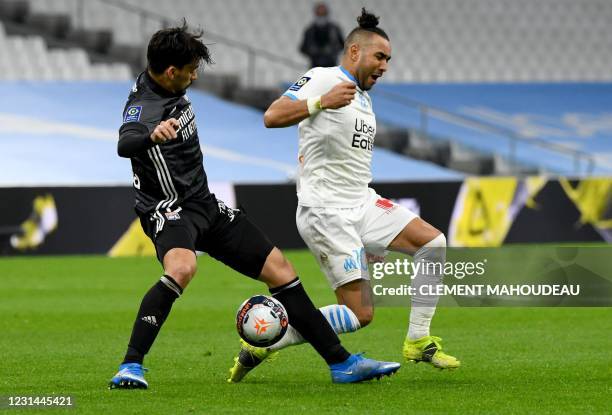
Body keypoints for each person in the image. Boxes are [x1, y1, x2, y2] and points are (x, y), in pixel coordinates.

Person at [108, 21, 400, 389]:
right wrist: (151, 135)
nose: (195, 76)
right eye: (191, 70)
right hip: (168, 208)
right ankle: (130, 365)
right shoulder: (144, 106)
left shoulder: (163, 82)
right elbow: (126, 142)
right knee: (182, 268)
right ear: (170, 73)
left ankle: (341, 363)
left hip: (205, 205)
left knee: (280, 269)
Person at [228, 9, 460, 383]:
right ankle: (267, 340)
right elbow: (272, 116)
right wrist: (320, 102)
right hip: (326, 211)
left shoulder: (363, 100)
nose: (385, 66)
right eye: (379, 57)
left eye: (388, 60)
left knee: (433, 242)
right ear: (354, 51)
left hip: (362, 203)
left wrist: (372, 237)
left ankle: (418, 340)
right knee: (359, 315)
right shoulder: (323, 79)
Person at [300, 3, 344, 67]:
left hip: (331, 64)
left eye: (323, 14)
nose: (321, 16)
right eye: (319, 14)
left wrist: (332, 50)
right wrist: (313, 52)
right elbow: (303, 48)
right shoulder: (310, 31)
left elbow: (342, 45)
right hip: (315, 65)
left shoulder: (334, 30)